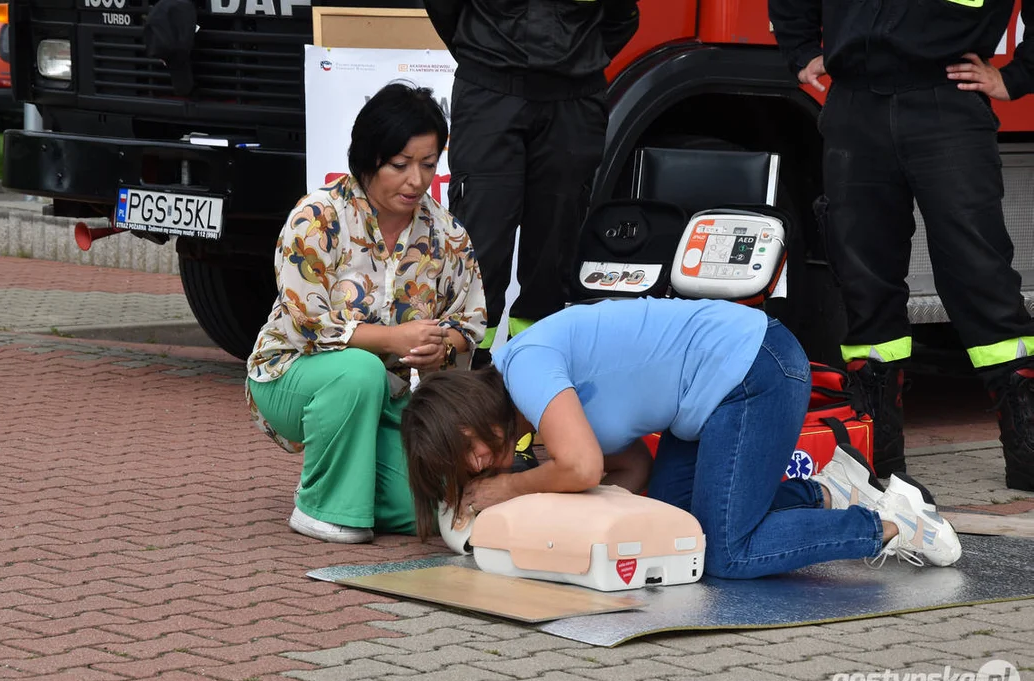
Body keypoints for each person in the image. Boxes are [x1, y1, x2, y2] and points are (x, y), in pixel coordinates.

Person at [401, 298, 962, 579]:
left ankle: (893, 524)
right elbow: (627, 476)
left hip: (753, 368)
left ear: (473, 410)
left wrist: (510, 491)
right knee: (678, 532)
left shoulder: (523, 366)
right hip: (710, 400)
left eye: (469, 444)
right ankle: (826, 492)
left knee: (722, 551)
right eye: (464, 464)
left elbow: (583, 469)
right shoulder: (540, 417)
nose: (478, 464)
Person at [769, 0, 1034, 490]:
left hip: (947, 101)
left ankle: (1028, 451)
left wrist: (1017, 77)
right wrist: (801, 49)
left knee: (981, 279)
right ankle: (876, 457)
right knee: (863, 283)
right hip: (854, 107)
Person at [245, 82, 487, 544]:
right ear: (368, 158)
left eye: (429, 164)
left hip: (387, 398)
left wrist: (441, 347)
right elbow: (307, 324)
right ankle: (320, 509)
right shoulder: (317, 217)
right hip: (288, 376)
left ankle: (349, 485)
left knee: (424, 506)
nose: (416, 180)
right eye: (400, 165)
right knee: (359, 372)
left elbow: (469, 323)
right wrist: (392, 340)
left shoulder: (447, 234)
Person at [423, 0, 641, 368]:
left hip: (574, 99)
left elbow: (622, 16)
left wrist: (573, 61)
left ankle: (534, 369)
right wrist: (486, 54)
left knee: (554, 253)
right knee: (480, 246)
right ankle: (468, 376)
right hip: (490, 90)